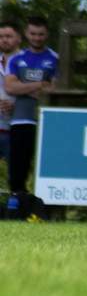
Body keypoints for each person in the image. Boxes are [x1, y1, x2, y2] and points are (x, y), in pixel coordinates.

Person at [3, 15, 56, 220]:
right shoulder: (17, 59)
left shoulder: (55, 58)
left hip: (47, 121)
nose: (36, 38)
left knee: (47, 167)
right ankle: (18, 210)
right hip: (21, 120)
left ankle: (46, 211)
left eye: (41, 34)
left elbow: (55, 87)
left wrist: (24, 87)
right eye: (33, 34)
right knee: (18, 169)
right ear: (26, 34)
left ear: (47, 34)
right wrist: (40, 85)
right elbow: (10, 87)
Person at [0, 21, 18, 189]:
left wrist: (16, 105)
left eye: (8, 36)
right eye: (1, 36)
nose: (4, 40)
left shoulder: (25, 63)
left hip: (16, 128)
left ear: (18, 38)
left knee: (16, 177)